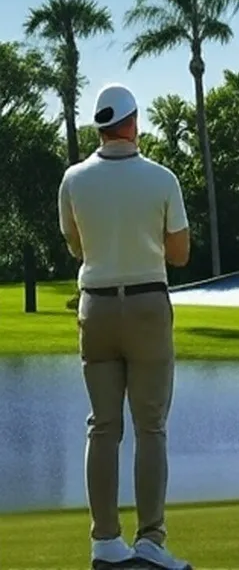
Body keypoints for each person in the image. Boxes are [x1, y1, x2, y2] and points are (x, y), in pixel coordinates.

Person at [58, 82, 193, 570]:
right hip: (146, 306)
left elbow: (76, 246)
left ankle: (105, 542)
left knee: (103, 426)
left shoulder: (73, 180)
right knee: (150, 426)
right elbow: (179, 254)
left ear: (100, 126)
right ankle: (150, 540)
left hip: (95, 309)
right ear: (133, 123)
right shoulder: (162, 179)